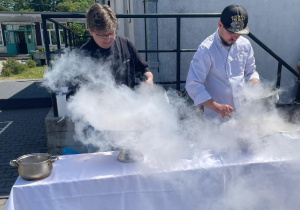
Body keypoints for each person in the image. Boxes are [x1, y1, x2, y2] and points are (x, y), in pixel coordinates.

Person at [185, 5, 260, 120]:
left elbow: (250, 71)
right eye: (231, 32)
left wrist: (254, 82)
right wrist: (216, 106)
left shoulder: (245, 44)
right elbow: (193, 84)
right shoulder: (206, 49)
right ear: (220, 25)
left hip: (242, 111)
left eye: (239, 32)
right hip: (216, 115)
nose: (235, 37)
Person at [80, 3, 153, 88]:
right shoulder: (83, 55)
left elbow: (144, 70)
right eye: (102, 35)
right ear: (91, 32)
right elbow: (77, 91)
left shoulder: (126, 44)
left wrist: (149, 79)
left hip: (129, 99)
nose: (108, 38)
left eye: (111, 33)